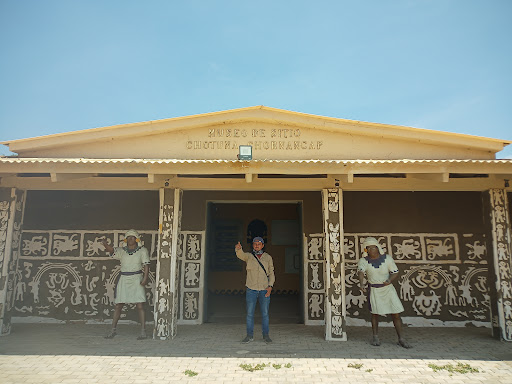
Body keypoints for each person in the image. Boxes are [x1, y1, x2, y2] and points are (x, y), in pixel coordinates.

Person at [358, 237, 411, 348]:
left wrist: (389, 280)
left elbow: (395, 272)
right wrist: (362, 283)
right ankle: (375, 337)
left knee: (395, 314)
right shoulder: (364, 261)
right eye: (369, 248)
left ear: (378, 248)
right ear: (366, 250)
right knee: (375, 314)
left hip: (388, 289)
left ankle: (401, 338)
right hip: (374, 289)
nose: (372, 250)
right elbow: (361, 272)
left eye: (373, 247)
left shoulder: (387, 258)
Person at [102, 229, 150, 340]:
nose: (130, 239)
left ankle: (143, 331)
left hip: (136, 278)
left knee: (140, 305)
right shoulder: (122, 251)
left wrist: (145, 278)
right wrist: (105, 244)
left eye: (133, 237)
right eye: (128, 237)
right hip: (124, 278)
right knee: (118, 305)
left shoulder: (142, 250)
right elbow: (111, 250)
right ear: (126, 239)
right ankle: (113, 330)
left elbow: (146, 265)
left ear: (136, 239)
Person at [235, 237, 275, 343]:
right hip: (251, 289)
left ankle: (266, 335)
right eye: (255, 244)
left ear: (262, 245)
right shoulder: (249, 256)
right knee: (249, 314)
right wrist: (238, 249)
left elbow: (271, 273)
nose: (257, 245)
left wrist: (270, 286)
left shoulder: (268, 257)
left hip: (264, 289)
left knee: (265, 314)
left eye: (259, 244)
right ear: (252, 245)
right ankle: (249, 336)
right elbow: (241, 255)